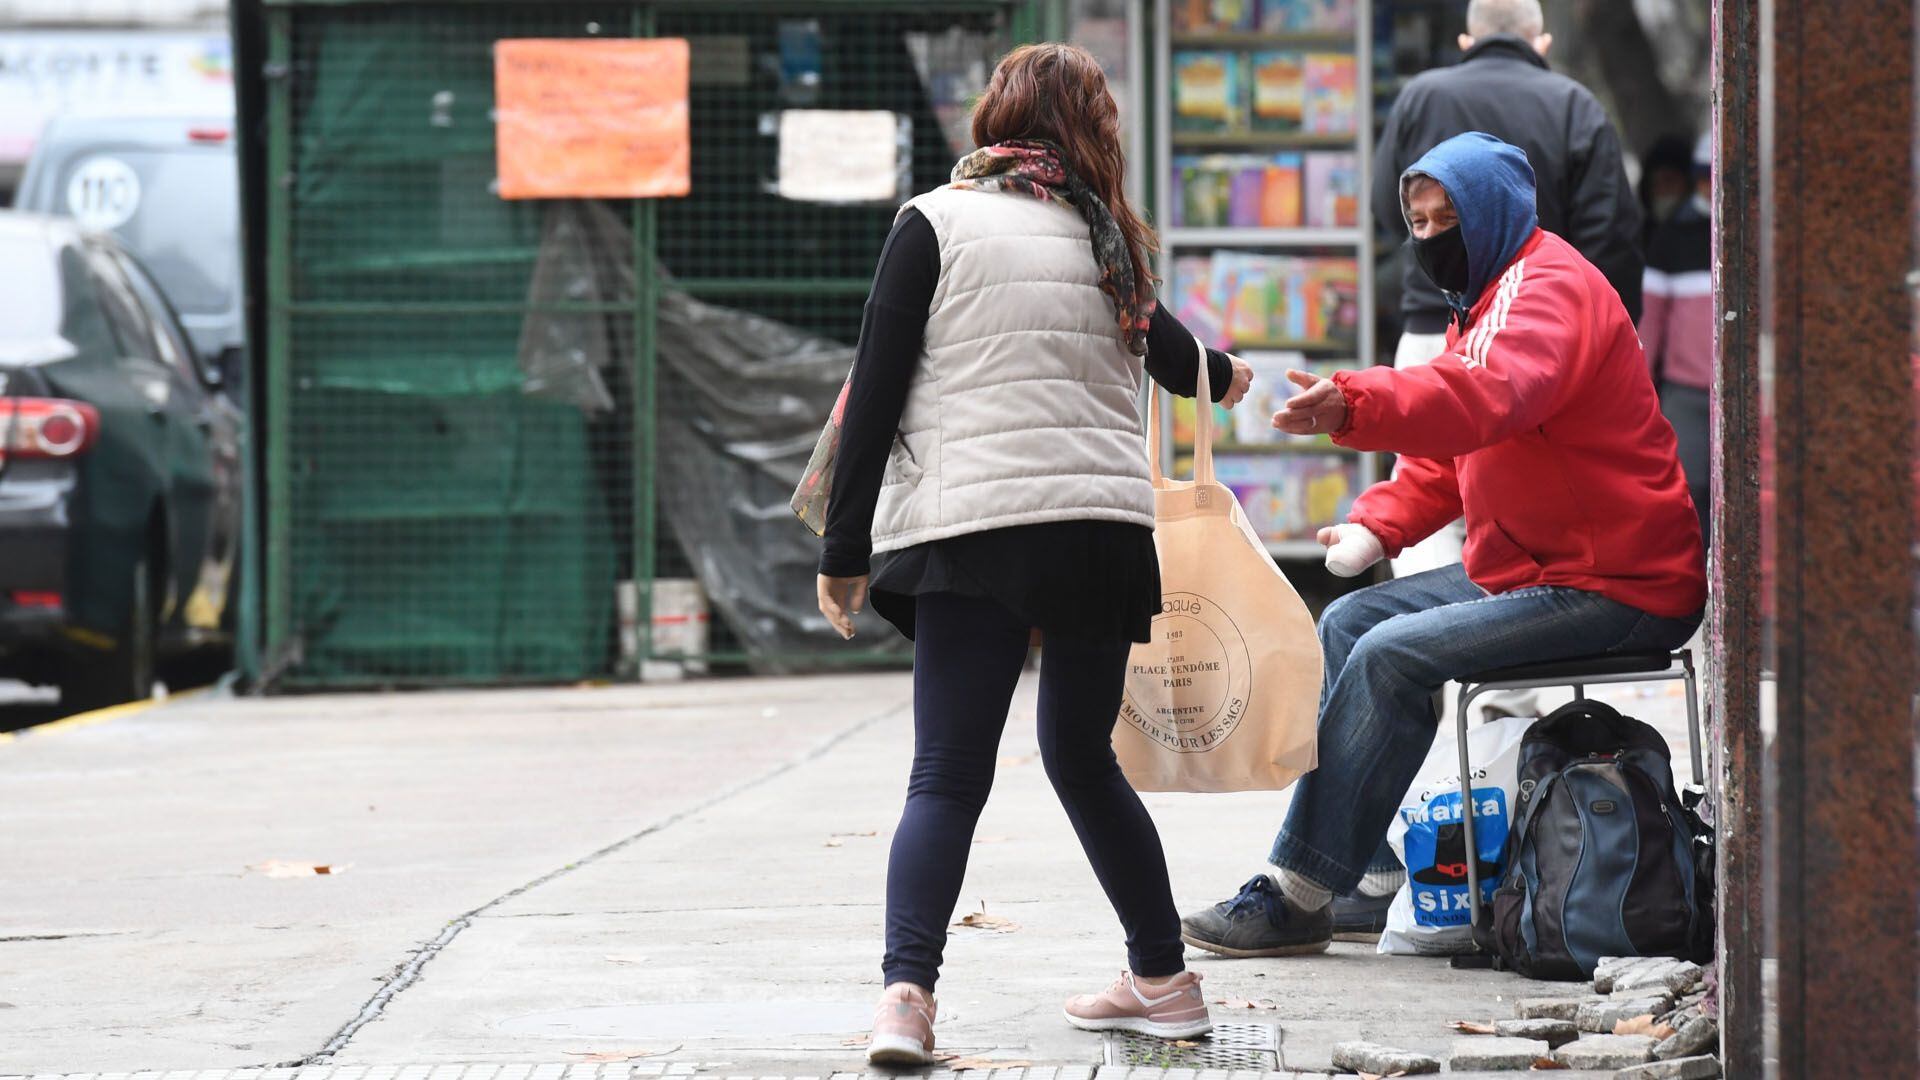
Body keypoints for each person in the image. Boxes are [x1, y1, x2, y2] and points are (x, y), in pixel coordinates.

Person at [814, 43, 1254, 1066]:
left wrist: (844, 547)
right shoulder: (1109, 244)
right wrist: (1229, 375)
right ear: (1091, 130)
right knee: (1084, 762)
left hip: (975, 533)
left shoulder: (935, 222)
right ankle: (1165, 980)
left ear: (995, 118)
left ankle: (906, 1003)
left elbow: (874, 389)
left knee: (945, 778)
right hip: (1100, 541)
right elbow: (1178, 358)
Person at [1177, 131, 1706, 959]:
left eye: (1444, 219)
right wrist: (1378, 522)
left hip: (1618, 586)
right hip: (1535, 569)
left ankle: (1298, 892)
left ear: (1493, 213)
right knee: (1351, 623)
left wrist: (1354, 403)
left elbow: (1484, 397)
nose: (1429, 238)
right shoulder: (1490, 297)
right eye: (1416, 223)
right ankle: (1371, 876)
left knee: (1390, 654)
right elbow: (1449, 454)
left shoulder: (1547, 290)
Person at [1372, 0, 1644, 578]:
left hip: (1432, 328)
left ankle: (1440, 649)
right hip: (1554, 348)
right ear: (1539, 43)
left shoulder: (1422, 95)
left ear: (1468, 41)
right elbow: (1613, 235)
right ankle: (1490, 636)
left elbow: (1383, 207)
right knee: (1538, 503)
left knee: (1427, 502)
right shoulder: (1575, 104)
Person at [1640, 134, 1713, 546]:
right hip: (1686, 390)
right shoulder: (1671, 237)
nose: (1707, 186)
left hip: (1746, 389)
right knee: (1688, 486)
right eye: (1701, 177)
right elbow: (1652, 319)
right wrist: (1643, 385)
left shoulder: (1751, 233)